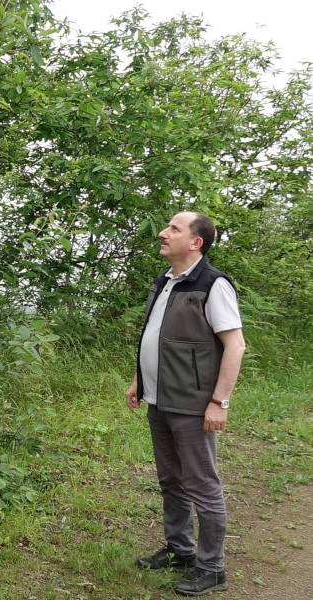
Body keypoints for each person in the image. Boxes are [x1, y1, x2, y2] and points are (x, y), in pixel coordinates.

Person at [127, 211, 246, 596]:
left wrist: (219, 402)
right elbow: (157, 336)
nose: (163, 233)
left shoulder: (213, 285)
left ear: (196, 242)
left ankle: (212, 568)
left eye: (174, 229)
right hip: (159, 400)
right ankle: (181, 549)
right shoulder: (165, 281)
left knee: (202, 484)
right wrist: (138, 380)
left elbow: (235, 345)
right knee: (170, 480)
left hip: (192, 405)